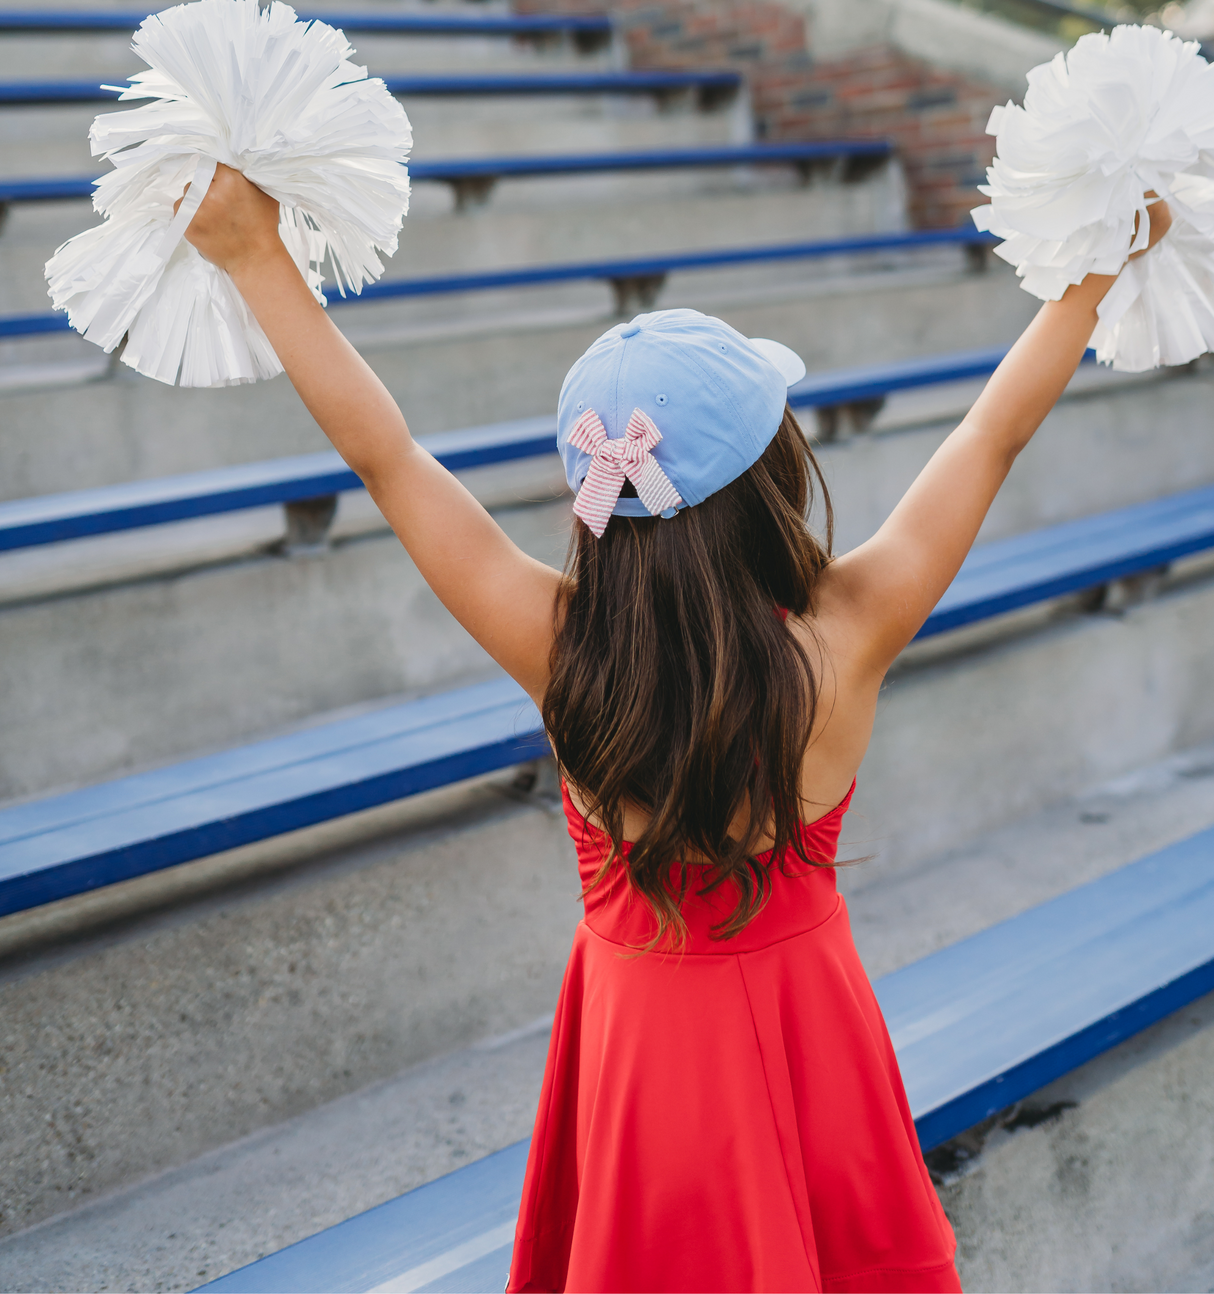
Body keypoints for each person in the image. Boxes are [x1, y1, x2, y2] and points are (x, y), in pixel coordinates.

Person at [181, 167, 1171, 1294]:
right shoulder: (847, 631)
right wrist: (1095, 264)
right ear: (771, 475)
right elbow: (990, 434)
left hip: (641, 1045)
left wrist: (257, 255)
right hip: (811, 1027)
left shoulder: (560, 650)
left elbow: (388, 458)